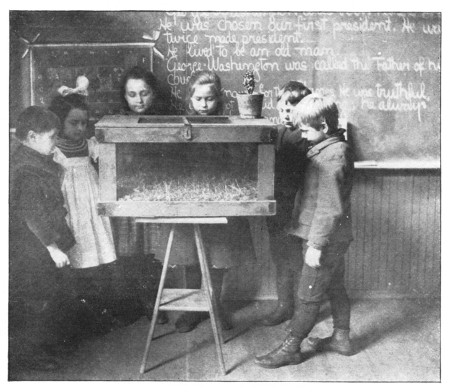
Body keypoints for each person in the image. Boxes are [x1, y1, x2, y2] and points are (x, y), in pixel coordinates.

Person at [255, 93, 354, 369]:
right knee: (335, 287)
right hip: (334, 238)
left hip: (322, 240)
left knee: (308, 295)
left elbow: (330, 208)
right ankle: (342, 338)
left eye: (307, 130)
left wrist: (316, 245)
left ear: (323, 126)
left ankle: (291, 348)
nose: (303, 134)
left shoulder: (333, 156)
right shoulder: (330, 148)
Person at [9, 106, 77, 371]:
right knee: (37, 297)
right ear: (33, 136)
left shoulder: (34, 159)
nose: (55, 141)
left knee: (46, 294)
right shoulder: (26, 169)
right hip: (32, 245)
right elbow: (32, 212)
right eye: (51, 137)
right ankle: (32, 355)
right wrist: (52, 247)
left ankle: (42, 348)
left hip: (39, 243)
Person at [49, 93, 123, 333]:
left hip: (91, 205)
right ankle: (79, 315)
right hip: (70, 207)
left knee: (96, 252)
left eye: (84, 122)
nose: (81, 128)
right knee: (77, 252)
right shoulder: (53, 150)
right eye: (74, 122)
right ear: (59, 122)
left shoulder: (89, 144)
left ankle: (98, 310)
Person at [115, 65, 169, 325]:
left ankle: (155, 303)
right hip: (128, 196)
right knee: (130, 250)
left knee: (155, 252)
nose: (139, 100)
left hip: (155, 195)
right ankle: (138, 303)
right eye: (132, 94)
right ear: (124, 96)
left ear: (154, 94)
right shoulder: (116, 122)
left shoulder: (166, 121)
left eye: (144, 93)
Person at [260, 81, 312, 327]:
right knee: (280, 257)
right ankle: (284, 305)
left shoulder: (306, 137)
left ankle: (302, 310)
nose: (286, 114)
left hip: (295, 207)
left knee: (295, 259)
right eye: (282, 109)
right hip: (277, 205)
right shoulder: (280, 131)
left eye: (291, 110)